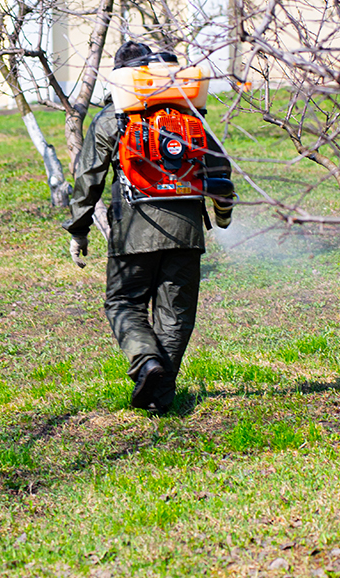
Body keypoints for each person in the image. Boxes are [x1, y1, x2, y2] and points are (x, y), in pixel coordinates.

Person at [65, 41, 233, 413]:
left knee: (123, 301)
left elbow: (88, 178)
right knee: (175, 315)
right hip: (187, 229)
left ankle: (147, 363)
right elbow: (220, 170)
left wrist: (79, 229)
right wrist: (223, 215)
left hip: (133, 230)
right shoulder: (191, 111)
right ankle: (161, 395)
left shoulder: (114, 118)